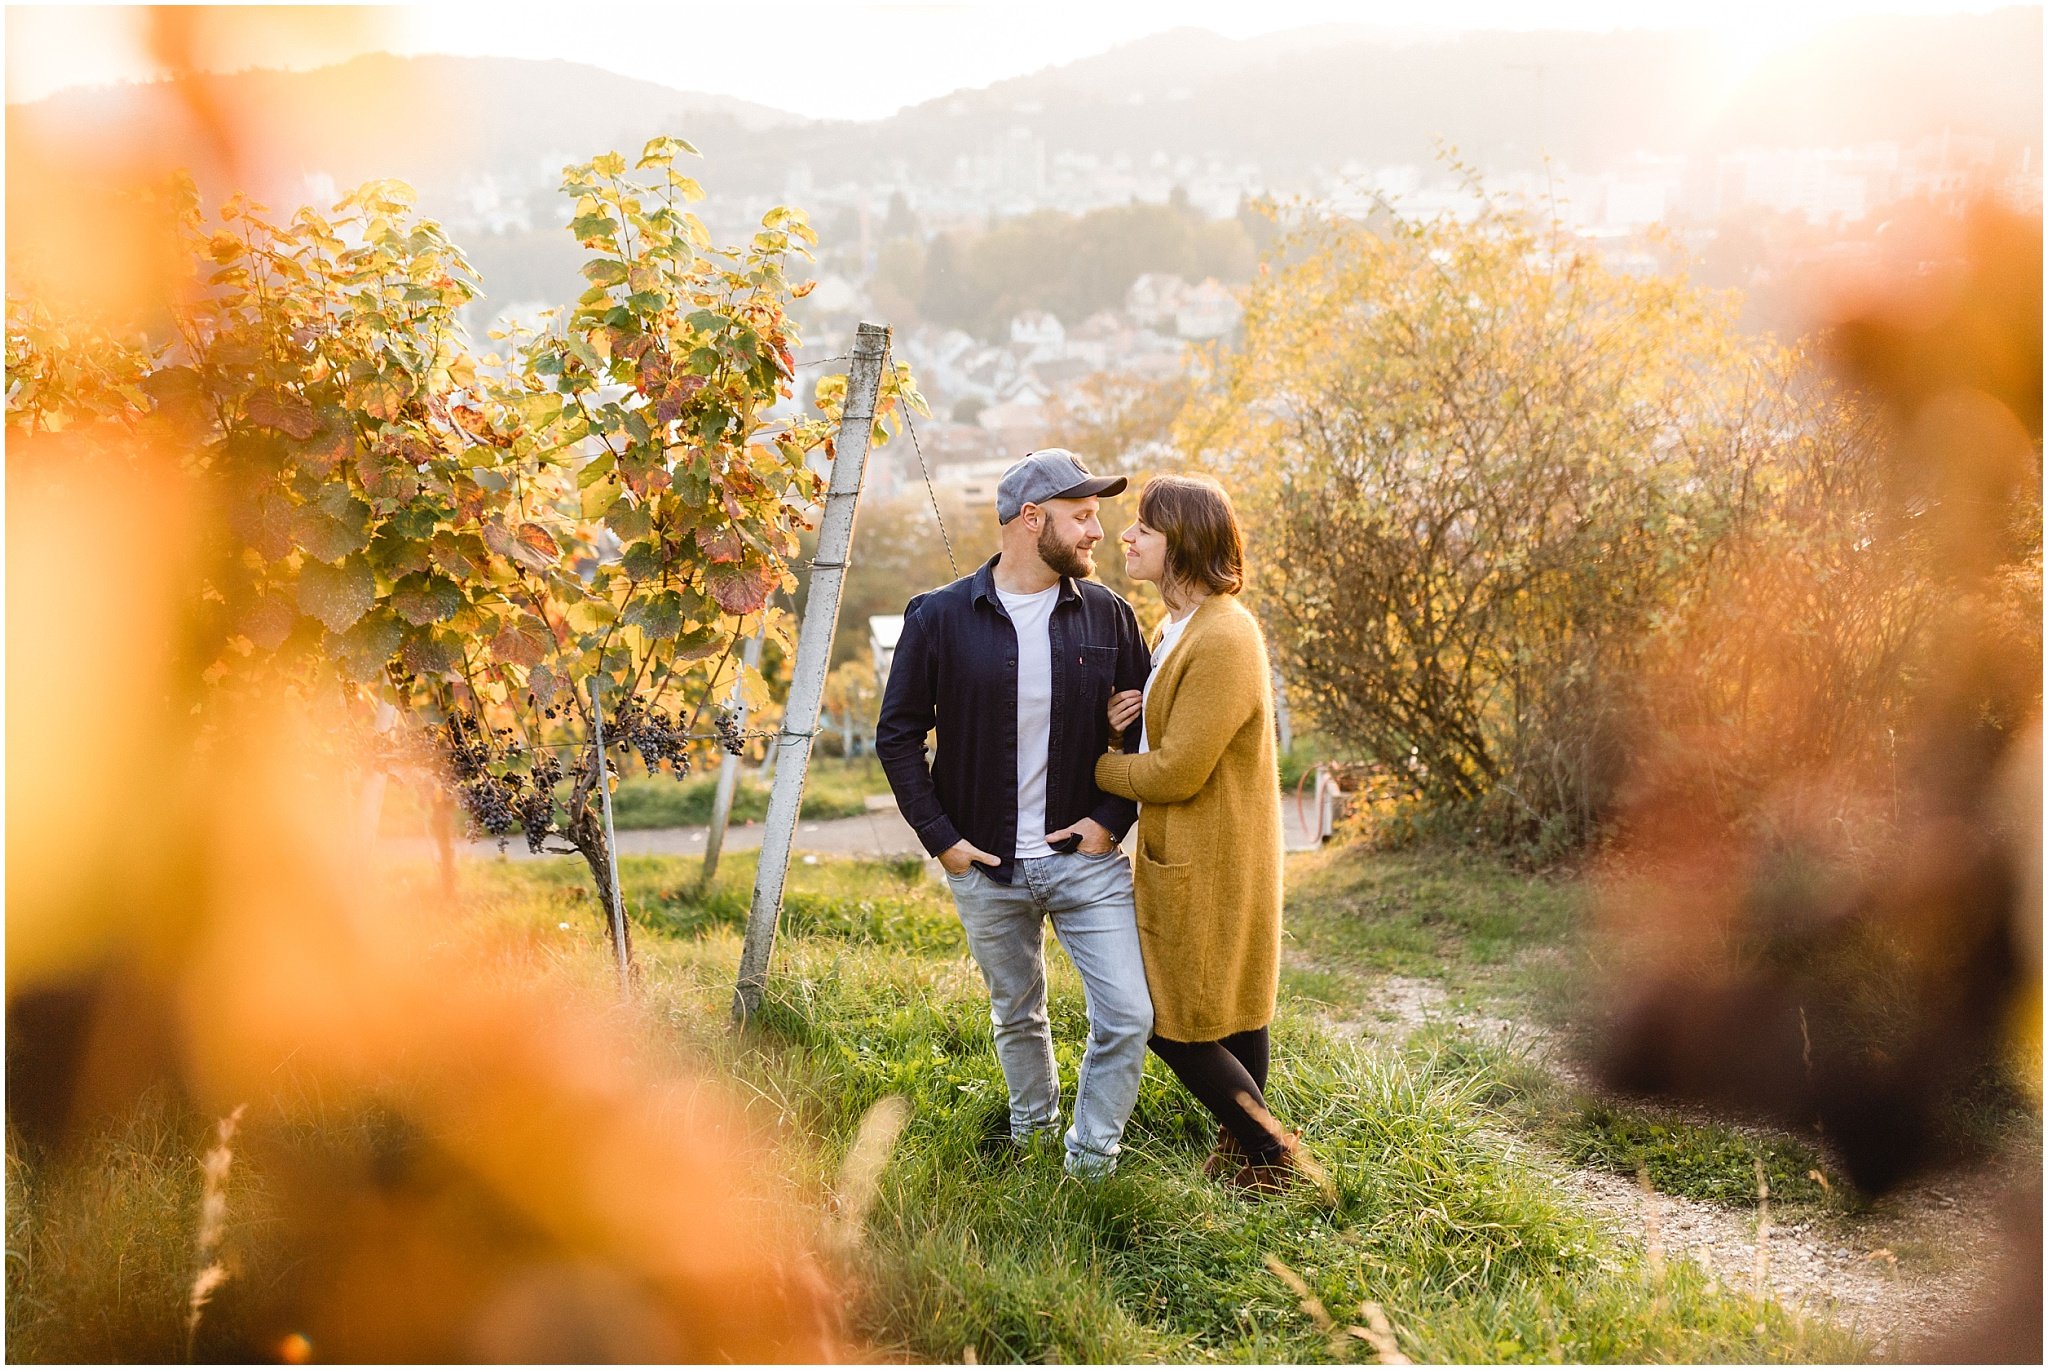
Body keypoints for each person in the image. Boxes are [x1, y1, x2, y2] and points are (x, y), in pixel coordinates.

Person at [875, 449, 1154, 1177]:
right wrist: (943, 841)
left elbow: (1148, 731)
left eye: (1098, 515)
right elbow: (897, 734)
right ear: (1032, 519)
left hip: (1085, 861)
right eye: (1083, 515)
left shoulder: (1110, 616)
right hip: (985, 865)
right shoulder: (939, 618)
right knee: (1017, 1015)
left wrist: (1109, 821)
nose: (1099, 531)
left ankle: (1090, 1163)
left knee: (1128, 1015)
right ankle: (1033, 1137)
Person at [1094, 474, 1296, 1192]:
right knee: (1233, 1007)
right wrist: (1130, 722)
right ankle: (1249, 1156)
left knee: (1166, 1019)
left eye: (1144, 527)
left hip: (1213, 852)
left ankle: (1271, 1151)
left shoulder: (1225, 635)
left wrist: (1101, 771)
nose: (1127, 536)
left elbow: (1179, 771)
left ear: (1182, 542)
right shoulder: (1174, 628)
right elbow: (1170, 733)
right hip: (1192, 849)